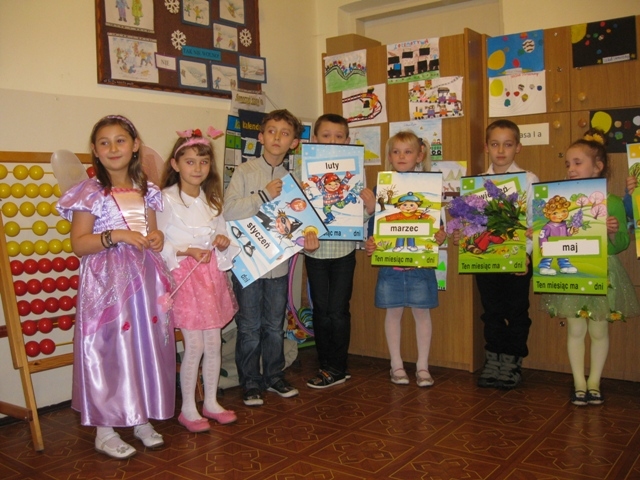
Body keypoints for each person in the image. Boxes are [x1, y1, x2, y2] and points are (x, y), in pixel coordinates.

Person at [57, 115, 175, 459]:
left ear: (135, 145)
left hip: (144, 281)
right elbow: (79, 244)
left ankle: (140, 417)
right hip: (107, 283)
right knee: (109, 350)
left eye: (120, 140)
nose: (113, 148)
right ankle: (105, 428)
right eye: (104, 142)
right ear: (95, 150)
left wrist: (156, 236)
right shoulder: (90, 192)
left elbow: (151, 231)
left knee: (142, 347)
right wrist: (116, 236)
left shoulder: (147, 190)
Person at [224, 109, 320, 406]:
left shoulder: (294, 180)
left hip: (278, 267)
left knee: (275, 326)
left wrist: (308, 240)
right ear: (261, 137)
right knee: (249, 327)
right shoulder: (245, 171)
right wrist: (263, 196)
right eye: (272, 131)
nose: (277, 137)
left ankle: (274, 376)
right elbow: (228, 211)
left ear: (294, 143)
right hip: (248, 265)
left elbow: (298, 223)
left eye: (285, 133)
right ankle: (250, 382)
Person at [540, 131, 640, 405]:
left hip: (603, 272)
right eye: (568, 164)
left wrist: (612, 232)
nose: (571, 169)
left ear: (598, 167)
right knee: (575, 330)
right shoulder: (561, 203)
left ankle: (594, 382)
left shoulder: (613, 202)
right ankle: (579, 383)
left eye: (578, 162)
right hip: (573, 270)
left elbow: (622, 244)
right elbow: (552, 235)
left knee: (599, 330)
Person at [157, 128, 239, 433]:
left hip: (210, 279)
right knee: (194, 345)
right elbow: (157, 242)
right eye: (190, 162)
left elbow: (223, 234)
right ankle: (188, 408)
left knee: (214, 343)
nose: (197, 168)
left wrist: (222, 241)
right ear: (176, 164)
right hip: (185, 278)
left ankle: (211, 402)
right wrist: (186, 251)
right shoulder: (165, 200)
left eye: (203, 162)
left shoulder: (212, 200)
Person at [454, 119, 539, 390]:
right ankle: (493, 359)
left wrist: (525, 254)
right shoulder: (477, 183)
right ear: (486, 147)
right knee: (491, 312)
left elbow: (534, 223)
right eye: (495, 144)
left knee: (516, 312)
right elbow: (470, 224)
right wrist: (462, 236)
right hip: (486, 259)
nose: (501, 150)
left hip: (518, 260)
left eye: (508, 144)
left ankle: (512, 361)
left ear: (518, 147)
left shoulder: (528, 179)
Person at [364, 131, 446, 387]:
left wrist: (440, 236)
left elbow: (437, 227)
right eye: (396, 151)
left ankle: (423, 366)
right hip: (391, 266)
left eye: (408, 151)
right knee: (393, 314)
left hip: (420, 266)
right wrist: (371, 242)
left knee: (422, 314)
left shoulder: (430, 188)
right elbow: (374, 227)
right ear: (389, 156)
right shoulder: (382, 189)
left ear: (419, 156)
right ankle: (396, 365)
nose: (401, 156)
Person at [304, 114, 376, 389]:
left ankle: (337, 367)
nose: (332, 141)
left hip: (344, 252)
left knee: (338, 310)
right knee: (321, 311)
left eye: (338, 136)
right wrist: (303, 235)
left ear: (347, 141)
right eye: (326, 136)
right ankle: (327, 366)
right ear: (314, 139)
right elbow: (297, 212)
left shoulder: (355, 170)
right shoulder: (304, 171)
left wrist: (369, 209)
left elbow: (358, 216)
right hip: (315, 253)